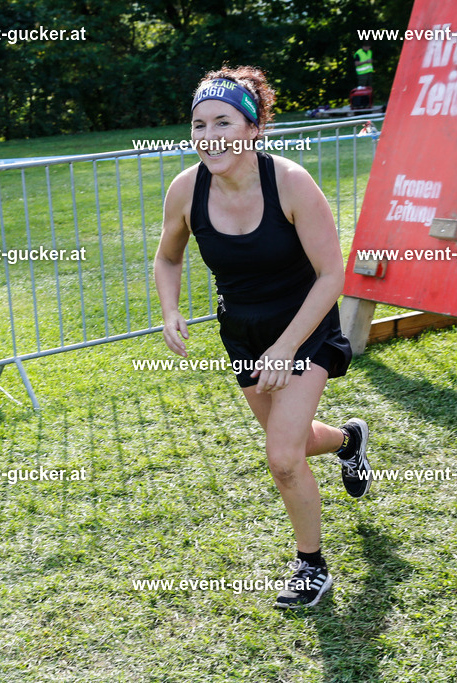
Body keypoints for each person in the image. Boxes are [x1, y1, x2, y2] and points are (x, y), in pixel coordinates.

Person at [153, 66, 372, 609]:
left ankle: (311, 566)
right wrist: (170, 309)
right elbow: (168, 256)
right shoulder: (186, 190)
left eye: (223, 122)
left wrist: (287, 347)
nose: (209, 137)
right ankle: (348, 441)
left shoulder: (291, 183)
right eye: (199, 124)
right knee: (291, 440)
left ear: (254, 129)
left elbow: (332, 275)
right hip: (244, 333)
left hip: (305, 326)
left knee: (282, 457)